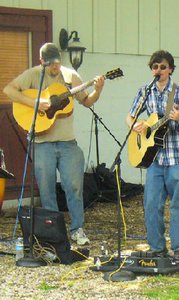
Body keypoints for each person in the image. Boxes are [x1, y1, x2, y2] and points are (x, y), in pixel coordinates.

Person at [3, 42, 105, 245]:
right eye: (50, 64)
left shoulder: (70, 77)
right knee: (47, 190)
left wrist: (98, 89)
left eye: (57, 63)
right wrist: (36, 103)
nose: (54, 67)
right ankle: (54, 232)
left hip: (68, 144)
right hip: (42, 143)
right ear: (42, 61)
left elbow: (87, 101)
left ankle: (77, 229)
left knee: (74, 188)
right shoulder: (33, 75)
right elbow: (9, 90)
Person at [126, 50, 179, 261]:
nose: (158, 70)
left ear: (171, 69)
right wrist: (135, 125)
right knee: (151, 202)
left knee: (177, 203)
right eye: (155, 67)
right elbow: (130, 116)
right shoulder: (145, 91)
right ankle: (157, 247)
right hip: (155, 157)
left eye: (163, 67)